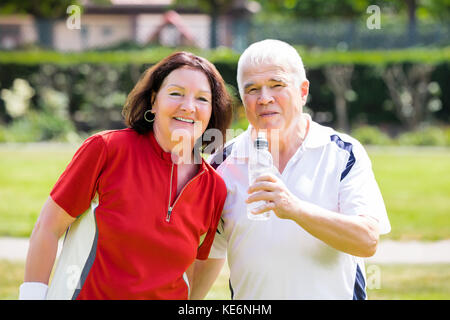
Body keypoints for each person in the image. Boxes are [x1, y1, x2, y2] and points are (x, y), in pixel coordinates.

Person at [19, 51, 232, 300]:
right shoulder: (106, 150)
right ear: (154, 100)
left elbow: (190, 271)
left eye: (202, 99)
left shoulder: (214, 188)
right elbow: (47, 228)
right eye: (176, 93)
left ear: (212, 110)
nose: (188, 106)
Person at [190, 39, 391, 300]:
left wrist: (293, 208)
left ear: (303, 91)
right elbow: (209, 253)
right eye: (252, 90)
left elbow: (366, 241)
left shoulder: (343, 153)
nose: (264, 98)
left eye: (277, 85)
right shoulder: (220, 164)